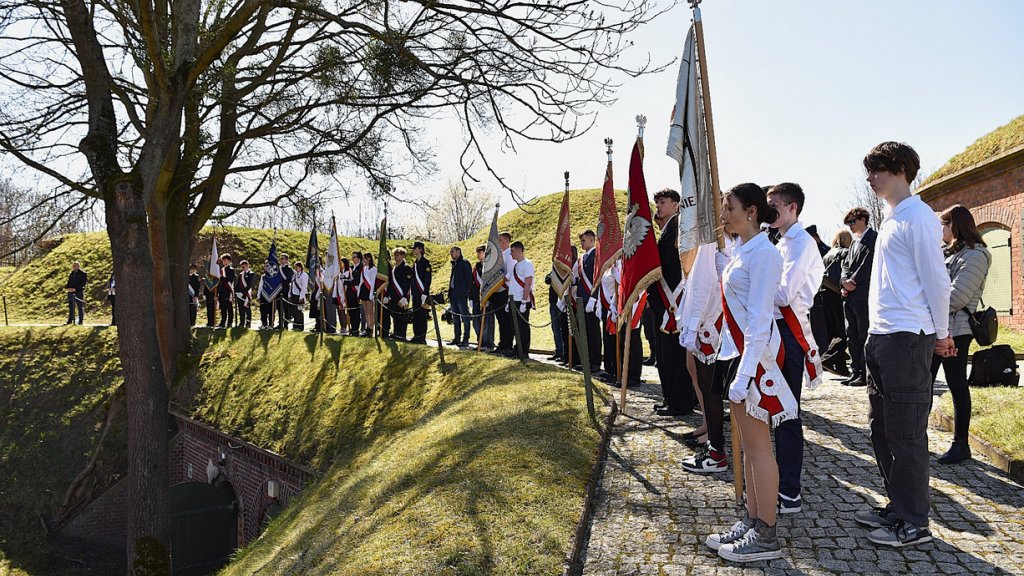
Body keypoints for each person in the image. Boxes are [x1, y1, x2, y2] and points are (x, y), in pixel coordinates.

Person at [854, 141, 951, 548]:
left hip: (908, 336)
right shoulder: (893, 218)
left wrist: (942, 333)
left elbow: (937, 281)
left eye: (875, 170)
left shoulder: (919, 217)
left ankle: (914, 523)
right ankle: (898, 505)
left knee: (907, 433)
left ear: (898, 169)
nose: (869, 179)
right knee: (882, 428)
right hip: (881, 335)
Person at [706, 183, 790, 562]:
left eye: (730, 208)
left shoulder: (765, 254)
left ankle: (767, 533)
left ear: (751, 211)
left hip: (752, 359)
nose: (724, 215)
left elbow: (758, 321)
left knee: (759, 449)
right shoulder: (742, 251)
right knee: (747, 450)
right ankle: (753, 521)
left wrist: (745, 374)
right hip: (734, 356)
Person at [766, 183, 825, 515]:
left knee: (786, 412)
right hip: (775, 328)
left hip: (788, 331)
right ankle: (777, 478)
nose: (768, 211)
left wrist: (752, 286)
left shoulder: (801, 243)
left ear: (792, 207)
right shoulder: (780, 241)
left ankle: (789, 490)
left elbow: (784, 295)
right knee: (773, 409)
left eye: (774, 205)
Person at [931, 205, 990, 464]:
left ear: (954, 226)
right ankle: (916, 439)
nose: (939, 230)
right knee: (924, 383)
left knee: (956, 385)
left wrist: (925, 303)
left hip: (957, 331)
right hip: (935, 327)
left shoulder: (976, 255)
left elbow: (956, 297)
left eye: (943, 225)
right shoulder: (946, 252)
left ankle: (961, 444)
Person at [649, 189, 695, 417]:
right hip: (662, 300)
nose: (658, 205)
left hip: (673, 301)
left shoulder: (678, 226)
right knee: (664, 355)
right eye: (657, 202)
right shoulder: (667, 228)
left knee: (674, 355)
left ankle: (680, 402)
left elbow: (668, 261)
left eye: (663, 201)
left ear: (676, 204)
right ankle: (670, 398)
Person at [840, 207, 877, 387]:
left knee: (863, 334)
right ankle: (856, 371)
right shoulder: (854, 243)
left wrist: (851, 281)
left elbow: (868, 264)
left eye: (853, 222)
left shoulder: (873, 238)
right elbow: (845, 265)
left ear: (863, 219)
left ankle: (865, 372)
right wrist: (843, 281)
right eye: (848, 223)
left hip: (863, 294)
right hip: (850, 296)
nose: (850, 226)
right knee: (851, 335)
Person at [820, 230, 853, 375]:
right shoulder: (845, 253)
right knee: (843, 330)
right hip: (837, 293)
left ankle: (840, 366)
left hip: (824, 293)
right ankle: (827, 358)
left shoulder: (828, 254)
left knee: (833, 330)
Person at [573, 230, 604, 374]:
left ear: (592, 240)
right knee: (584, 332)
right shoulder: (582, 258)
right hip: (581, 300)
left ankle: (595, 362)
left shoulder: (597, 255)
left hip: (591, 300)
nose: (581, 243)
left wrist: (594, 297)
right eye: (581, 241)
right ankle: (587, 361)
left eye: (584, 240)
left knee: (593, 332)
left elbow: (598, 277)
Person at [490, 232, 515, 356]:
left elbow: (510, 274)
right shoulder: (499, 255)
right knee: (501, 320)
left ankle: (507, 346)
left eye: (500, 240)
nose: (498, 242)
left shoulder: (510, 255)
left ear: (507, 241)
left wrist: (499, 281)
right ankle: (502, 344)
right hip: (497, 291)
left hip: (505, 291)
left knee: (506, 321)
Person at [508, 241, 534, 357]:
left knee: (522, 327)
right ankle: (517, 347)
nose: (511, 254)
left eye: (513, 251)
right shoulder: (515, 265)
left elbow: (527, 284)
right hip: (514, 299)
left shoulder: (527, 264)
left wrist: (524, 301)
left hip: (522, 300)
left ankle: (524, 350)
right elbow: (512, 284)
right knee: (514, 326)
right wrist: (509, 301)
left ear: (519, 251)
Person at [382, 247, 414, 340]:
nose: (395, 257)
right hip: (394, 296)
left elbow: (407, 283)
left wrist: (404, 297)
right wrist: (387, 295)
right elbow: (391, 283)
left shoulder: (406, 267)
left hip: (402, 296)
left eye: (397, 255)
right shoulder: (394, 268)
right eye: (394, 255)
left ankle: (402, 334)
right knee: (395, 315)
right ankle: (396, 333)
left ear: (403, 256)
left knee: (402, 316)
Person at [447, 246, 474, 347]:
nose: (451, 253)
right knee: (455, 318)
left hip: (461, 295)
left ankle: (465, 339)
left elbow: (469, 279)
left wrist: (466, 292)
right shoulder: (454, 264)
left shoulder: (464, 263)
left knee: (465, 318)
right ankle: (457, 338)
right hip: (453, 295)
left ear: (458, 252)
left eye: (453, 251)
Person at [471, 245, 494, 350]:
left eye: (480, 252)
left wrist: (488, 297)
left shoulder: (490, 266)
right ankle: (480, 342)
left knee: (487, 323)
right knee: (476, 322)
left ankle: (487, 344)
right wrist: (471, 298)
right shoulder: (476, 267)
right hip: (477, 298)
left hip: (487, 298)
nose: (478, 255)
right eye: (477, 252)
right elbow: (472, 283)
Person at [409, 241, 432, 344]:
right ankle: (416, 335)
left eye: (415, 248)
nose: (413, 250)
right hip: (415, 293)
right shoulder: (415, 263)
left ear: (420, 249)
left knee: (422, 316)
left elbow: (427, 279)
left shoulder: (425, 263)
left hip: (422, 293)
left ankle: (422, 337)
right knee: (416, 315)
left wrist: (425, 293)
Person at [545, 271, 566, 361]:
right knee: (555, 328)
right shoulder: (554, 271)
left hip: (562, 302)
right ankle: (559, 350)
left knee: (563, 328)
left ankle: (565, 352)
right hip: (553, 302)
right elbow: (547, 280)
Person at [344, 252, 364, 335]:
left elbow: (357, 281)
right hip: (350, 293)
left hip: (356, 292)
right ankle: (352, 328)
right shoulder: (352, 267)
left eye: (354, 257)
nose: (352, 259)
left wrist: (346, 282)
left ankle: (356, 329)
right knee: (351, 312)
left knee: (355, 312)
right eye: (352, 257)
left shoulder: (361, 267)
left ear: (359, 258)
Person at [359, 254, 378, 337]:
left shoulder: (373, 269)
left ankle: (371, 327)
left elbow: (373, 282)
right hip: (363, 290)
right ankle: (368, 327)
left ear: (369, 258)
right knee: (366, 310)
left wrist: (371, 293)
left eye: (365, 258)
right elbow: (361, 281)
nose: (363, 260)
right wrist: (359, 293)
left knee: (371, 310)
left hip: (369, 290)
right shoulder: (364, 268)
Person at [235, 259, 255, 328]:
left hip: (247, 294)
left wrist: (243, 293)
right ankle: (242, 322)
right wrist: (237, 292)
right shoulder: (241, 274)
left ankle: (248, 323)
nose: (242, 268)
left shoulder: (251, 274)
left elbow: (250, 285)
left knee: (247, 309)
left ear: (247, 266)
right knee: (241, 309)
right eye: (241, 267)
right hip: (240, 295)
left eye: (243, 267)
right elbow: (238, 284)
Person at [217, 253, 235, 328]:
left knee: (229, 307)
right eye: (223, 260)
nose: (224, 262)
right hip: (221, 291)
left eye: (225, 260)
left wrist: (221, 277)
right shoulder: (221, 270)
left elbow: (229, 279)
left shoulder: (231, 269)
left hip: (228, 290)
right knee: (223, 308)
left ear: (229, 261)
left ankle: (229, 322)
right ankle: (223, 322)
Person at [289, 261, 308, 331]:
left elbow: (304, 287)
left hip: (300, 295)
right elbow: (292, 285)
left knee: (299, 311)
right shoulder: (295, 275)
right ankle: (295, 325)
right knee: (294, 311)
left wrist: (301, 297)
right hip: (294, 294)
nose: (295, 269)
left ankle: (300, 326)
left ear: (300, 267)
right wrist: (289, 294)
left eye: (296, 267)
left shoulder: (304, 275)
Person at [277, 253, 294, 330]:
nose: (281, 260)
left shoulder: (289, 269)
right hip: (278, 290)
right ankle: (280, 323)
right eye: (280, 258)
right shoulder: (278, 268)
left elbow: (289, 279)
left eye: (283, 258)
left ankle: (286, 324)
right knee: (279, 308)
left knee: (286, 308)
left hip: (285, 290)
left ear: (286, 260)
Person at [258, 261, 276, 329]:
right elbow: (260, 286)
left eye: (267, 266)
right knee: (263, 310)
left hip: (271, 295)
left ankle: (271, 324)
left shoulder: (273, 276)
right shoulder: (263, 276)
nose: (266, 268)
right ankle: (264, 324)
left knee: (271, 310)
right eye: (265, 266)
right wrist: (258, 295)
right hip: (263, 295)